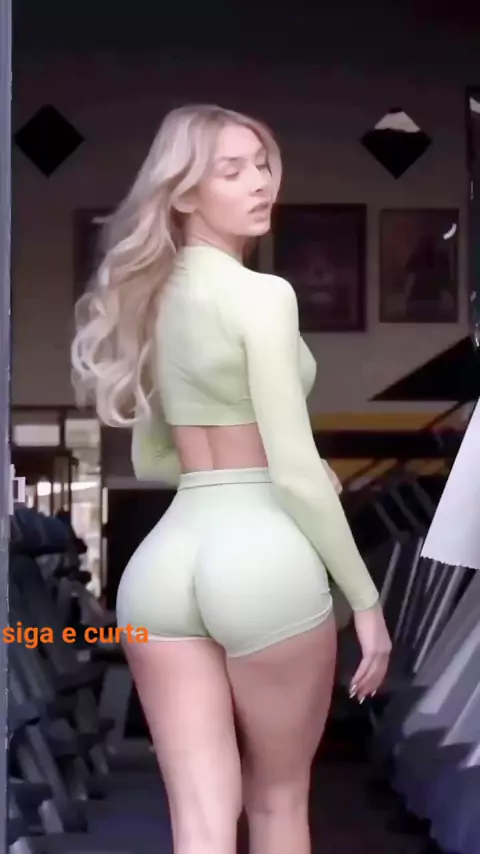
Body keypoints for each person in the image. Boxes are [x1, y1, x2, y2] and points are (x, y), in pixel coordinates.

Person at [72, 104, 391, 854]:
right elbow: (296, 473)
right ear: (184, 193)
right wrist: (366, 603)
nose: (261, 182)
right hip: (261, 559)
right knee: (278, 803)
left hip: (163, 565)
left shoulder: (149, 300)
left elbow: (153, 461)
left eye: (264, 163)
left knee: (199, 827)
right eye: (233, 169)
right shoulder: (263, 295)